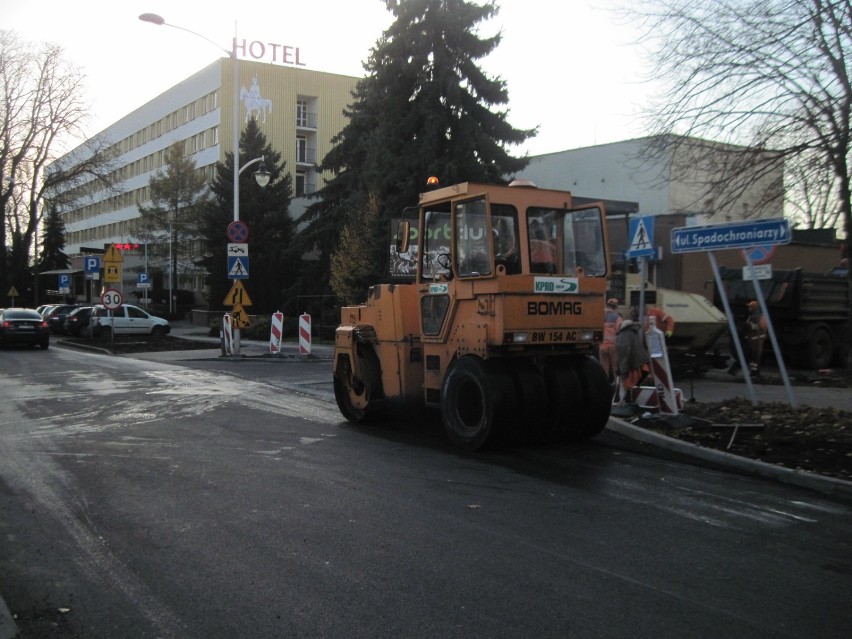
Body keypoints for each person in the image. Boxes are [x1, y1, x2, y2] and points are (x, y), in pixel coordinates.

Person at [615, 318, 650, 403]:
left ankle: (626, 401)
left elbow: (623, 352)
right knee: (636, 384)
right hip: (641, 364)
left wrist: (622, 369)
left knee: (628, 385)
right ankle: (632, 399)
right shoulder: (634, 332)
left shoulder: (623, 335)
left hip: (630, 365)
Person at [599, 298, 623, 382]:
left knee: (604, 368)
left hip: (602, 346)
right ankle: (617, 386)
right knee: (615, 367)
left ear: (607, 304)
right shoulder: (617, 317)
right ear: (615, 307)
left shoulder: (599, 315)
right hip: (613, 346)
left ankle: (605, 386)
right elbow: (620, 331)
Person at [744, 300, 768, 376]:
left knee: (756, 356)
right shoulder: (751, 316)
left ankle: (756, 372)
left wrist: (750, 324)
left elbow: (761, 327)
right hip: (752, 339)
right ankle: (753, 371)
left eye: (750, 307)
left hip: (758, 339)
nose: (749, 308)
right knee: (752, 356)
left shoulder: (761, 317)